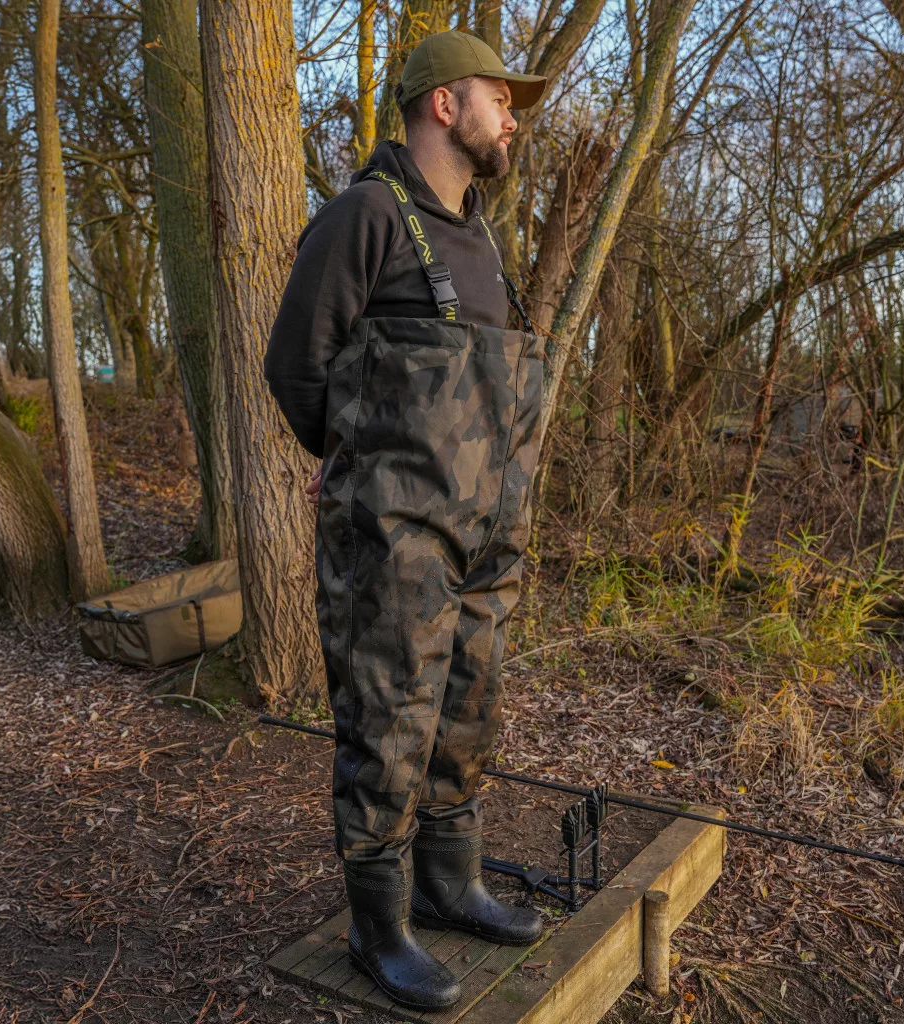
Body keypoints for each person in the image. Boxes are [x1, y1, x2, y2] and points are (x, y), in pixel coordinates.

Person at [263, 30, 548, 1012]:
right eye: (499, 99)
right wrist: (350, 464)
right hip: (393, 535)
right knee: (387, 722)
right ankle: (377, 927)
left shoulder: (481, 236)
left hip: (486, 534)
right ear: (443, 104)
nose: (511, 119)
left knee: (469, 708)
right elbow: (295, 364)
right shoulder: (367, 216)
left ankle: (449, 882)